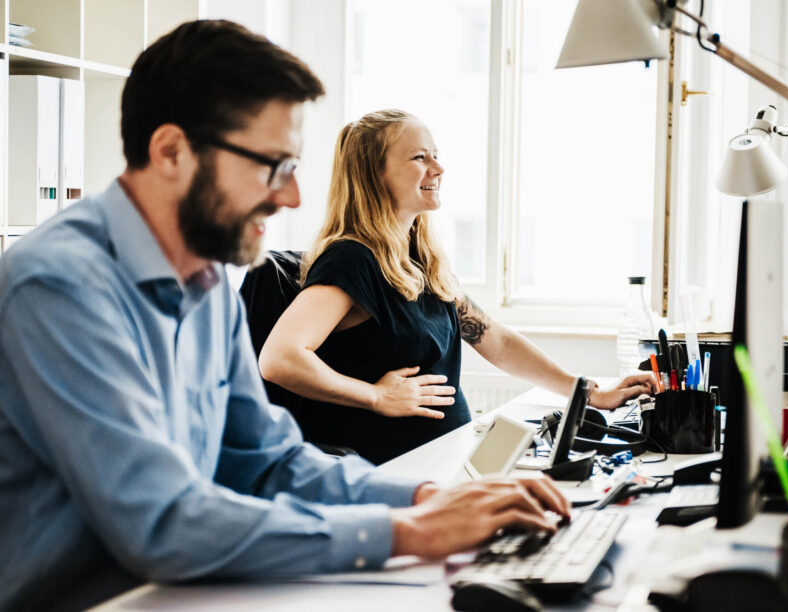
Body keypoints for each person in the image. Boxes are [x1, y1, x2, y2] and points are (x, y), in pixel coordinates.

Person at [0, 21, 571, 611]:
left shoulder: (206, 282)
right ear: (171, 151)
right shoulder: (59, 285)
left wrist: (425, 497)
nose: (292, 197)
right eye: (272, 165)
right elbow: (161, 521)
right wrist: (409, 531)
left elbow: (268, 461)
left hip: (189, 587)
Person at [259, 109, 657, 465]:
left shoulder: (419, 257)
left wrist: (587, 393)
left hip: (449, 460)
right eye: (420, 157)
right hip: (398, 473)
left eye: (435, 154)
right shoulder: (352, 259)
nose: (438, 168)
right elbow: (280, 358)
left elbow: (495, 341)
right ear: (374, 173)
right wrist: (375, 396)